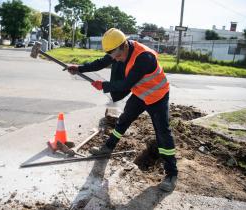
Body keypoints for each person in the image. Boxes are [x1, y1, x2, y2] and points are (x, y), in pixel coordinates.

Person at [67, 28, 178, 192]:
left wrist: (104, 85)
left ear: (124, 45)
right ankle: (107, 148)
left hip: (157, 97)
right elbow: (102, 62)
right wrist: (79, 68)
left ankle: (171, 174)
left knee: (162, 133)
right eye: (114, 57)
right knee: (123, 121)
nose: (116, 60)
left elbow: (127, 83)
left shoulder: (144, 57)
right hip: (140, 94)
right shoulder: (118, 50)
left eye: (118, 56)